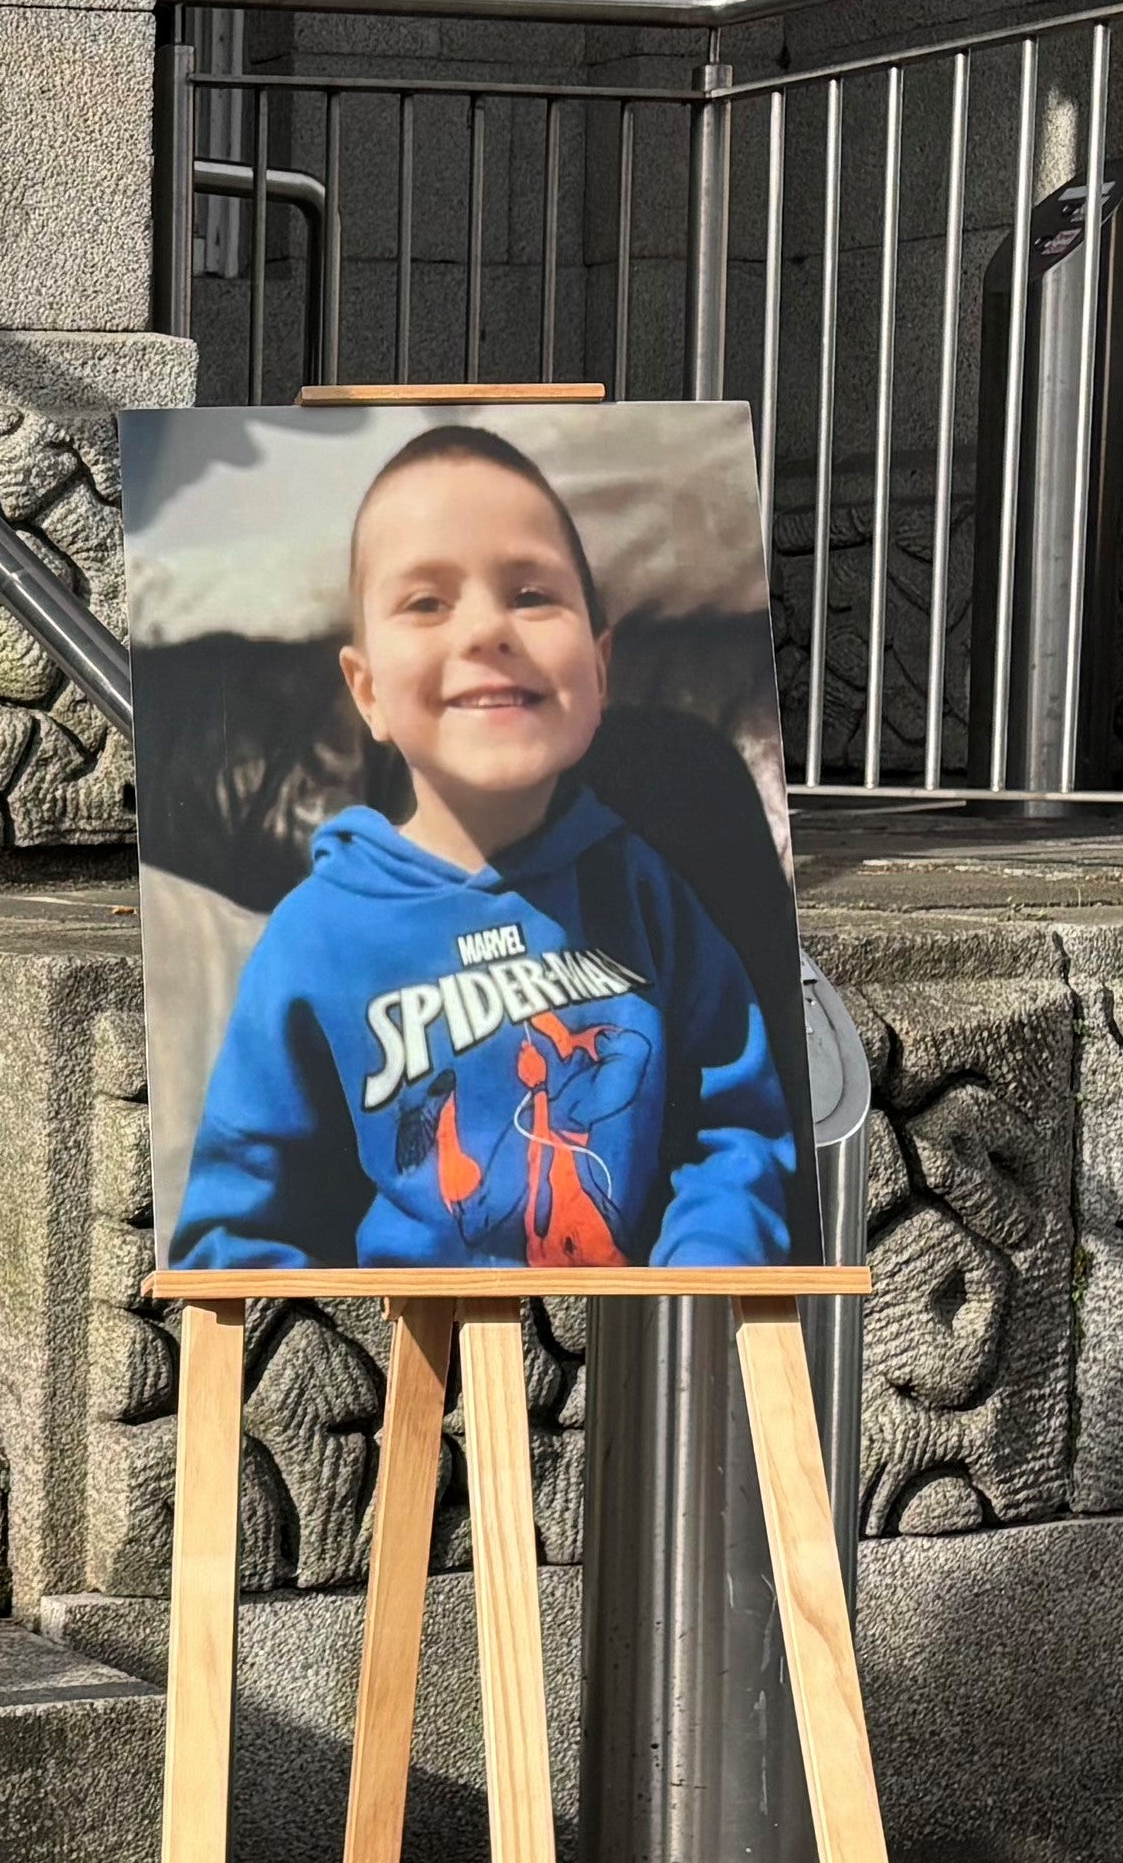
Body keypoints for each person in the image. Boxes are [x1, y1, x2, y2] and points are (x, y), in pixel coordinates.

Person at [169, 422, 801, 1273]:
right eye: (427, 602)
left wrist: (699, 1288)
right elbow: (234, 1234)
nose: (485, 631)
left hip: (631, 1363)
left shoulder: (645, 885)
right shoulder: (313, 938)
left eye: (532, 595)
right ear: (367, 693)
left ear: (601, 670)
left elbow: (741, 1127)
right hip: (415, 1375)